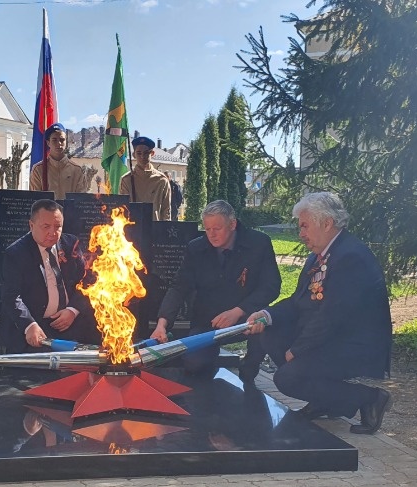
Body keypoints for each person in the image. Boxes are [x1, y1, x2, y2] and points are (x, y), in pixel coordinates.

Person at [245, 192, 393, 434]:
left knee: (287, 379)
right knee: (270, 334)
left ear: (326, 223)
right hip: (331, 337)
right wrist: (266, 314)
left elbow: (332, 316)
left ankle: (369, 398)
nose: (300, 233)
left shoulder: (350, 257)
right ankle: (324, 400)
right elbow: (298, 301)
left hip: (354, 344)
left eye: (304, 226)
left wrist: (296, 350)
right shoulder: (320, 254)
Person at [151, 200, 281, 376]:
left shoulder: (259, 244)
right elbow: (179, 287)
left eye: (217, 229)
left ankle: (250, 366)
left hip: (248, 317)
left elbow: (271, 286)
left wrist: (238, 311)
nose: (211, 235)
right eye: (207, 229)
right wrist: (162, 324)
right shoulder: (196, 248)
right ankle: (209, 364)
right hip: (208, 321)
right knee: (195, 365)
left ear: (232, 224)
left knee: (264, 331)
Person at [0, 199, 101, 354]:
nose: (53, 233)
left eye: (57, 227)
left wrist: (73, 310)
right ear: (31, 225)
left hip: (70, 323)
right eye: (46, 227)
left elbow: (87, 279)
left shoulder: (70, 243)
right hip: (35, 326)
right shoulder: (16, 253)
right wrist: (29, 324)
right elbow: (12, 296)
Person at [28, 122, 90, 199]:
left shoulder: (76, 170)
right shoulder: (38, 170)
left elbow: (80, 200)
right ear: (48, 143)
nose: (59, 143)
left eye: (62, 140)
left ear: (66, 142)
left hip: (69, 211)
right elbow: (36, 200)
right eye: (54, 140)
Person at [119, 136, 171, 221]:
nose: (142, 156)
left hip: (154, 230)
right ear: (133, 155)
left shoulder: (162, 180)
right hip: (133, 230)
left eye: (146, 153)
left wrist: (164, 232)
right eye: (139, 153)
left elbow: (166, 211)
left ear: (152, 153)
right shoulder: (127, 180)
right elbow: (122, 210)